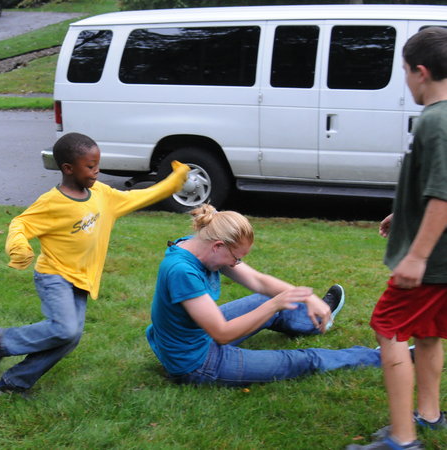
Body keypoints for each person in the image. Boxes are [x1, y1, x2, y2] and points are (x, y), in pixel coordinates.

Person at [0, 132, 191, 396]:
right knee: (64, 329)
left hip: (81, 280)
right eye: (90, 166)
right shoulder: (52, 202)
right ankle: (3, 342)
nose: (96, 171)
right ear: (68, 168)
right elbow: (21, 224)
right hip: (54, 275)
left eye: (97, 165)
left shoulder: (102, 194)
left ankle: (13, 383)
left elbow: (139, 197)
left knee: (69, 338)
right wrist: (19, 246)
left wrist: (172, 183)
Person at [146, 204, 381, 388]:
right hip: (195, 363)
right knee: (303, 360)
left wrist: (308, 298)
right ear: (218, 246)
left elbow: (258, 281)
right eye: (235, 258)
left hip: (196, 335)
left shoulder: (198, 244)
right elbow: (222, 333)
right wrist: (275, 305)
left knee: (265, 299)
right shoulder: (182, 271)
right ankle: (376, 357)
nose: (235, 264)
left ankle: (318, 319)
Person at [346, 27, 447, 450]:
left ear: (420, 72)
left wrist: (417, 256)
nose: (406, 81)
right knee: (428, 331)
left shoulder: (436, 121)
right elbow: (431, 185)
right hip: (440, 260)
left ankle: (403, 440)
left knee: (388, 329)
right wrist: (402, 215)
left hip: (433, 262)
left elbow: (443, 194)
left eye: (404, 72)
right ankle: (429, 415)